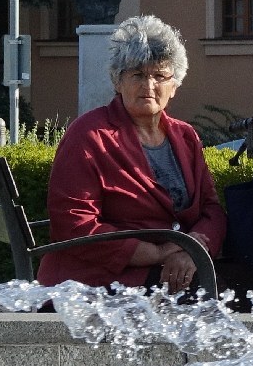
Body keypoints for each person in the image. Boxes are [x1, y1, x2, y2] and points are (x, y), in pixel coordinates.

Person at [37, 15, 226, 292]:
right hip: (99, 280)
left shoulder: (186, 136)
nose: (148, 86)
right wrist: (156, 254)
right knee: (227, 296)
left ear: (174, 86)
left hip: (173, 271)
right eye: (137, 74)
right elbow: (75, 222)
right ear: (117, 81)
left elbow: (211, 209)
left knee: (252, 281)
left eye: (159, 76)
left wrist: (193, 252)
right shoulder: (89, 135)